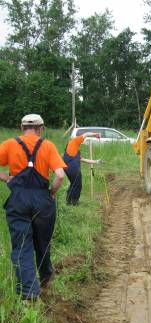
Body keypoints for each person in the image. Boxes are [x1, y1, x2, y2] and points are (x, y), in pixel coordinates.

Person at [0, 114, 66, 300]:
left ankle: (29, 293)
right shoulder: (48, 146)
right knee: (43, 243)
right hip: (42, 201)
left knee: (22, 246)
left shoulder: (10, 144)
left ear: (22, 128)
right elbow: (60, 175)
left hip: (18, 200)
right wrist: (52, 193)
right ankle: (46, 278)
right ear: (41, 128)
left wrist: (6, 177)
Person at [63, 132, 101, 205]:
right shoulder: (74, 142)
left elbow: (84, 160)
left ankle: (69, 201)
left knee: (73, 184)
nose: (81, 142)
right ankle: (74, 201)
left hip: (67, 168)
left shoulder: (73, 150)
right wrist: (95, 134)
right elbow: (86, 134)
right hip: (72, 167)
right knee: (78, 184)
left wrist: (96, 162)